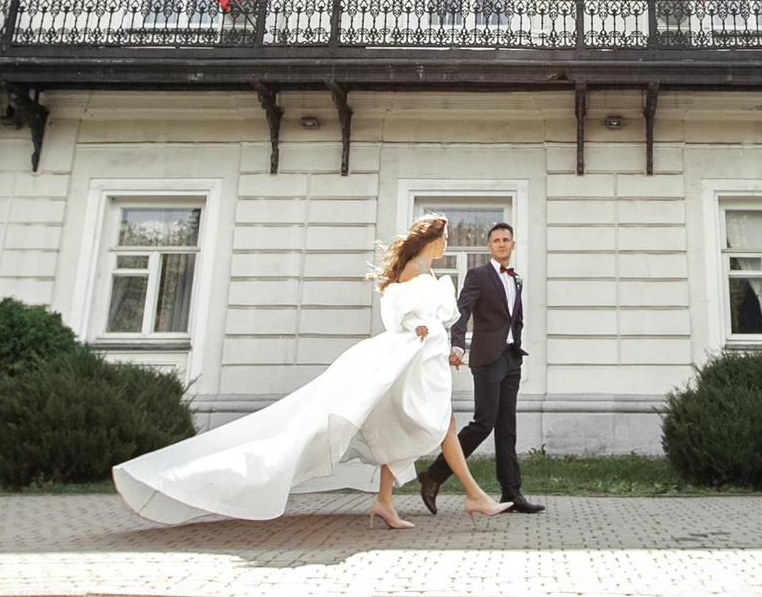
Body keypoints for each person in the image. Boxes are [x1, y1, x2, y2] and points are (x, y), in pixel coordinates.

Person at [113, 214, 512, 527]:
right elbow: (399, 311)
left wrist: (430, 333)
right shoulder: (413, 271)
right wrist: (417, 325)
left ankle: (386, 501)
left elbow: (419, 312)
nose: (447, 245)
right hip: (412, 361)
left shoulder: (425, 273)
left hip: (424, 362)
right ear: (434, 240)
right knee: (438, 423)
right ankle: (473, 495)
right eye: (446, 239)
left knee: (400, 426)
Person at [419, 219, 543, 514]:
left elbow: (516, 319)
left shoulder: (516, 279)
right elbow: (462, 311)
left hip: (511, 358)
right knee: (484, 422)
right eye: (496, 240)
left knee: (507, 427)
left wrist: (516, 344)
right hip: (487, 358)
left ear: (513, 245)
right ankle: (434, 475)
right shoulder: (478, 275)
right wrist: (458, 345)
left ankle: (512, 493)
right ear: (489, 246)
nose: (501, 244)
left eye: (506, 240)